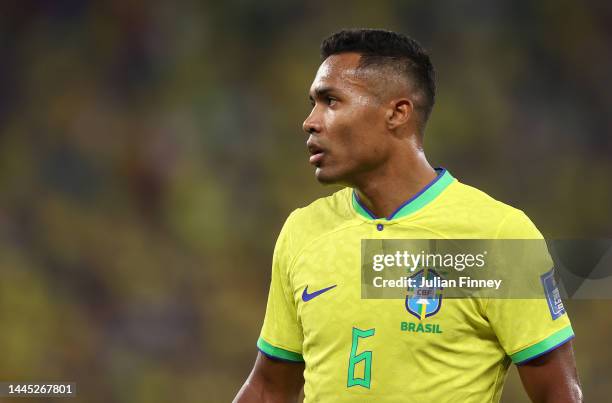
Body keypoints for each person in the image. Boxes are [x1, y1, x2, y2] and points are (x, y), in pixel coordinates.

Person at [234, 29, 582, 402]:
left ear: (397, 113)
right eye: (313, 103)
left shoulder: (497, 235)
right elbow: (270, 388)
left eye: (331, 101)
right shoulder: (303, 230)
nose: (310, 121)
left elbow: (558, 392)